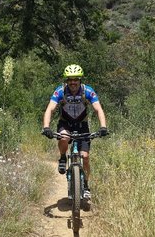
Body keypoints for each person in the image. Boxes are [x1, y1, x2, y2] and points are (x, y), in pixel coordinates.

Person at [42, 64, 108, 200]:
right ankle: (62, 157)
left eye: (76, 79)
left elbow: (98, 109)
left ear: (80, 80)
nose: (73, 82)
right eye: (70, 79)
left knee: (85, 157)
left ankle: (86, 184)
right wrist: (46, 127)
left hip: (82, 125)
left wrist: (103, 127)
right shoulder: (60, 91)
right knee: (64, 137)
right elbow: (50, 109)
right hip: (65, 123)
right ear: (66, 81)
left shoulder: (87, 91)